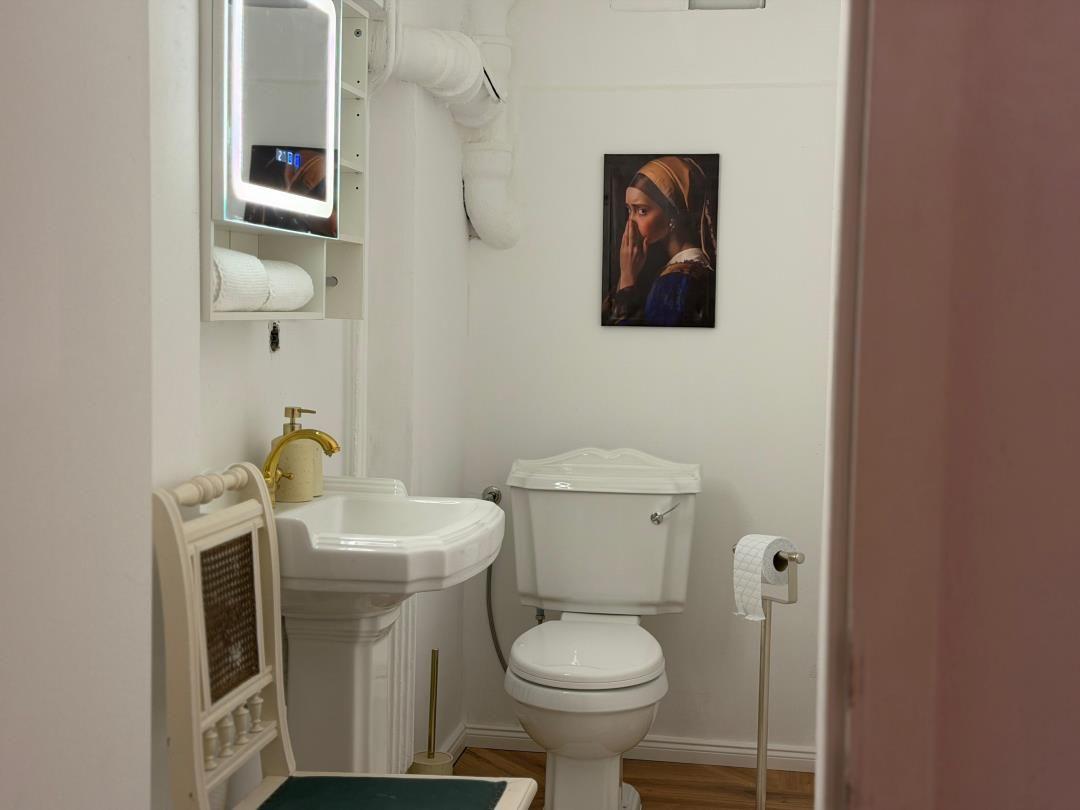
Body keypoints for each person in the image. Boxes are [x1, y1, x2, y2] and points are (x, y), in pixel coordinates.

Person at [603, 156, 717, 327]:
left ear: (672, 215)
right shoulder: (678, 269)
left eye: (642, 210)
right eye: (629, 210)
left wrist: (627, 277)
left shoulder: (677, 282)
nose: (630, 222)